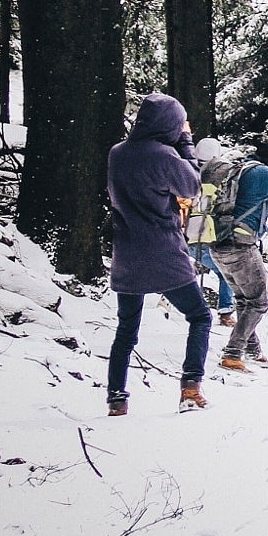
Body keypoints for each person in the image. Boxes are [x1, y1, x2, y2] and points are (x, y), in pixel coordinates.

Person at [106, 93, 212, 415]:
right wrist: (187, 143)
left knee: (126, 330)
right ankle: (191, 388)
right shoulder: (166, 156)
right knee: (200, 316)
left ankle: (116, 399)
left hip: (126, 252)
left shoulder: (117, 153)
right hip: (163, 252)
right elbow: (193, 187)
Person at [206, 139, 268, 373]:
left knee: (244, 300)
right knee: (259, 302)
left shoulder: (240, 169)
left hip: (218, 244)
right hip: (240, 247)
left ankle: (252, 351)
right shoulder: (264, 173)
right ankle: (232, 353)